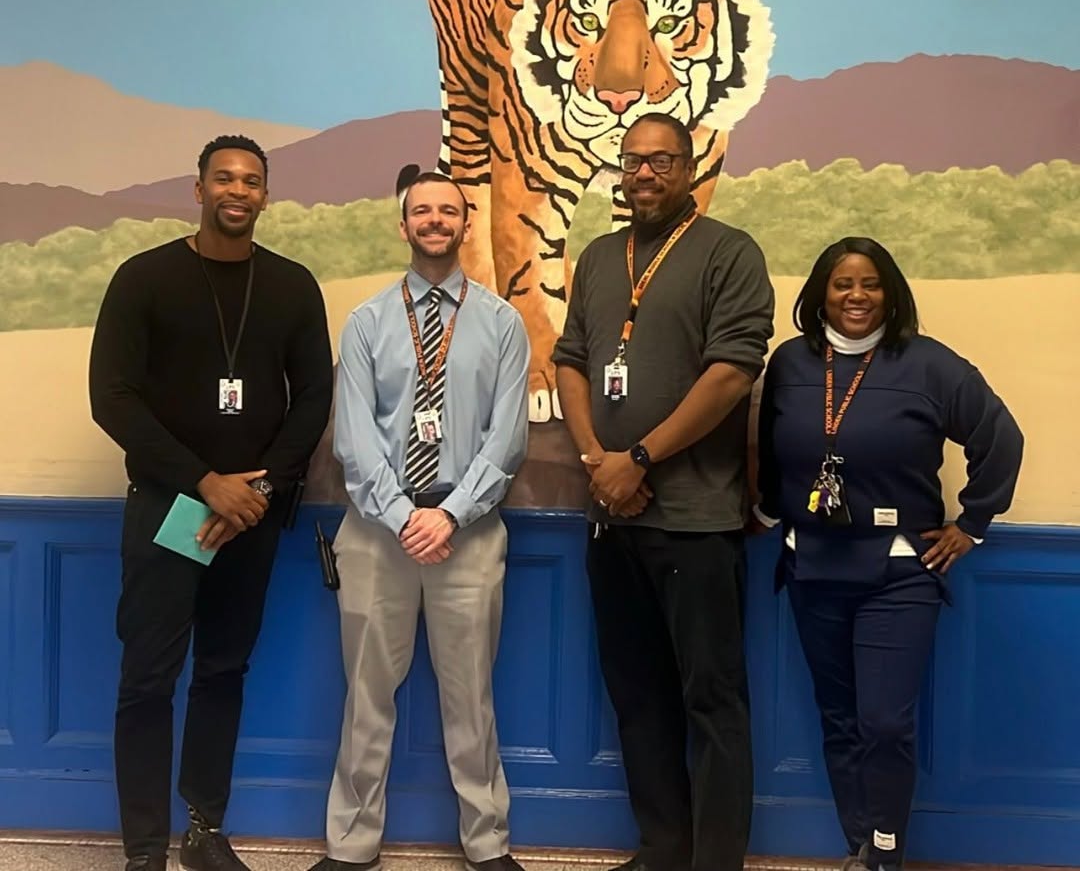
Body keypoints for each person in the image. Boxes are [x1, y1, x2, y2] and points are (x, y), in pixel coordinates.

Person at [89, 135, 334, 871]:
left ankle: (203, 830)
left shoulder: (292, 286)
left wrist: (258, 489)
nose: (237, 189)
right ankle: (143, 849)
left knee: (223, 670)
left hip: (252, 520)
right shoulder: (144, 279)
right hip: (169, 511)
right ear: (197, 190)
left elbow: (314, 397)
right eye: (223, 177)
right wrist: (205, 481)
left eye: (251, 180)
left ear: (266, 195)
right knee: (147, 679)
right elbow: (114, 399)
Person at [755, 236, 1024, 871]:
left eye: (870, 284)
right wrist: (767, 510)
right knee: (840, 719)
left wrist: (974, 522)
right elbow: (766, 446)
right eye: (843, 283)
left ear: (891, 292)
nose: (856, 296)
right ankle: (861, 845)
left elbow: (1000, 437)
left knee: (883, 724)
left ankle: (885, 850)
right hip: (811, 567)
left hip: (899, 574)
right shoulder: (790, 363)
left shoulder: (929, 365)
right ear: (821, 291)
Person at [553, 113, 775, 871]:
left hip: (696, 521)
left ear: (689, 169)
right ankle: (662, 849)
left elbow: (731, 374)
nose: (645, 174)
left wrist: (640, 457)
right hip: (610, 517)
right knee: (637, 696)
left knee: (711, 704)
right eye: (633, 161)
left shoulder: (729, 253)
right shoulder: (597, 257)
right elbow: (573, 361)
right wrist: (599, 460)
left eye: (662, 161)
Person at [314, 171, 530, 871]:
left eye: (449, 211)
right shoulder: (368, 323)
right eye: (421, 211)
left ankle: (487, 843)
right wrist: (408, 516)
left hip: (467, 534)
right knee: (367, 698)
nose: (435, 220)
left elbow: (507, 440)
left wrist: (452, 515)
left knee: (471, 699)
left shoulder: (501, 322)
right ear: (402, 226)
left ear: (467, 224)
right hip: (379, 533)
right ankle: (351, 846)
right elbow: (353, 438)